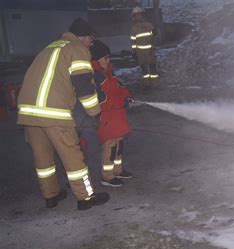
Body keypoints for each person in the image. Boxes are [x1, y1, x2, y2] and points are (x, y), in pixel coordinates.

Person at [17, 18, 110, 210]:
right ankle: (85, 198)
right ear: (83, 37)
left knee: (42, 156)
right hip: (53, 112)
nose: (92, 44)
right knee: (72, 156)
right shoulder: (77, 49)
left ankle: (51, 195)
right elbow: (84, 86)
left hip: (28, 111)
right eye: (91, 40)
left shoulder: (51, 47)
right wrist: (95, 112)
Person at [90, 40, 135, 187]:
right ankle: (107, 176)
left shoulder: (108, 73)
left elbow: (120, 87)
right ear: (96, 59)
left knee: (119, 143)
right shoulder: (96, 76)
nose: (108, 60)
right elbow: (102, 101)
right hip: (107, 118)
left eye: (108, 57)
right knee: (110, 146)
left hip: (117, 117)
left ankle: (118, 170)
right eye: (105, 58)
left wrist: (127, 96)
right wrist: (122, 102)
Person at [130, 6, 160, 88]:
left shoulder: (149, 25)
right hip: (140, 52)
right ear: (134, 17)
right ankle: (147, 83)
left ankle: (155, 83)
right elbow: (133, 40)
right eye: (136, 15)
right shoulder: (134, 28)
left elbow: (156, 37)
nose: (138, 17)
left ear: (143, 15)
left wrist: (155, 32)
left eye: (140, 15)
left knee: (152, 66)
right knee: (144, 68)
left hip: (149, 51)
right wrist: (133, 51)